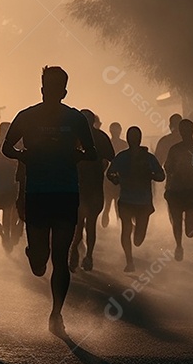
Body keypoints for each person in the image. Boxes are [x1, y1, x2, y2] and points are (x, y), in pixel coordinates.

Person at [2, 66, 95, 336]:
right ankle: (34, 254)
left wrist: (77, 155)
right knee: (39, 265)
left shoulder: (76, 119)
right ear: (41, 89)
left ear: (64, 91)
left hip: (66, 192)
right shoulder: (27, 116)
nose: (52, 91)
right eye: (48, 86)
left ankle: (56, 313)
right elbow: (6, 147)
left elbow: (92, 151)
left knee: (61, 257)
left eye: (58, 87)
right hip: (38, 193)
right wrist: (25, 155)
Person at [107, 126, 165, 272]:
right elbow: (110, 173)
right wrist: (116, 180)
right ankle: (129, 261)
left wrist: (150, 175)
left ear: (139, 139)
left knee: (138, 240)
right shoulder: (122, 156)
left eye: (135, 137)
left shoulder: (148, 158)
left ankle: (131, 254)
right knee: (126, 230)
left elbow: (161, 175)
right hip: (126, 200)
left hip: (143, 202)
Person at [70, 110, 116, 272]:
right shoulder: (99, 137)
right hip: (88, 187)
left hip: (86, 187)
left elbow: (111, 159)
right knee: (88, 224)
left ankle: (79, 252)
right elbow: (112, 158)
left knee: (81, 224)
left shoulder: (75, 137)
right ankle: (85, 255)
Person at [164, 118, 193, 261]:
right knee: (177, 219)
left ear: (192, 131)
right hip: (177, 190)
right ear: (180, 132)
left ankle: (180, 243)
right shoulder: (175, 149)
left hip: (192, 189)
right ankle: (178, 246)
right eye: (183, 130)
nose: (185, 132)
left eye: (187, 130)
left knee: (190, 229)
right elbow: (167, 167)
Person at [0, 122, 21, 251]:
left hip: (9, 187)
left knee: (7, 219)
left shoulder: (14, 146)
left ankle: (7, 236)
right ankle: (4, 236)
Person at [101, 122, 127, 228]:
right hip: (113, 177)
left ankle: (113, 227)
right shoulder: (123, 144)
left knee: (110, 204)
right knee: (112, 204)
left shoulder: (108, 143)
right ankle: (116, 226)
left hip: (110, 177)